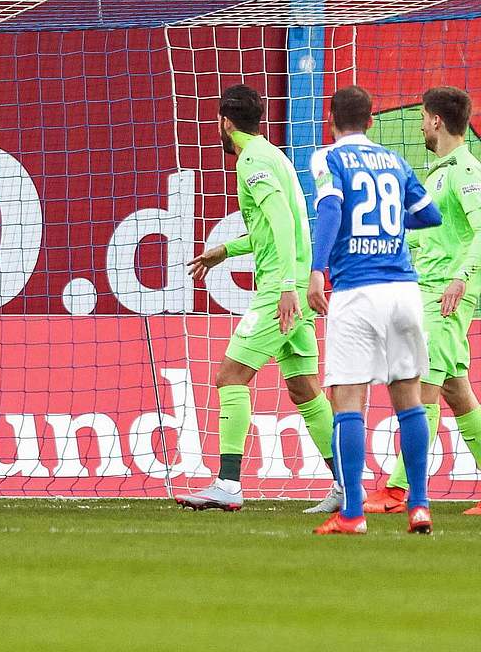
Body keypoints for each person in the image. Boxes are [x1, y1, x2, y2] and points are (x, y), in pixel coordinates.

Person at [179, 85, 339, 514]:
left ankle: (228, 483)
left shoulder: (251, 161)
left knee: (230, 376)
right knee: (305, 389)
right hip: (296, 289)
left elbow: (283, 222)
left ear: (224, 122)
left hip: (279, 291)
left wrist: (287, 285)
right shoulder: (272, 154)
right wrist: (224, 251)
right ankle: (346, 484)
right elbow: (276, 228)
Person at [307, 85, 441, 535]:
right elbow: (430, 215)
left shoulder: (328, 158)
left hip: (357, 291)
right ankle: (419, 506)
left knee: (348, 401)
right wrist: (387, 221)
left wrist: (316, 269)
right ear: (369, 120)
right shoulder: (395, 161)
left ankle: (351, 515)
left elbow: (329, 207)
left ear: (332, 120)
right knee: (409, 398)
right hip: (404, 290)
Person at [364, 86, 481, 516]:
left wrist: (460, 278)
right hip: (429, 289)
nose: (419, 125)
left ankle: (398, 489)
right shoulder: (439, 171)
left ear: (435, 120)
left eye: (423, 118)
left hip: (447, 294)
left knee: (423, 388)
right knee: (456, 390)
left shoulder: (466, 170)